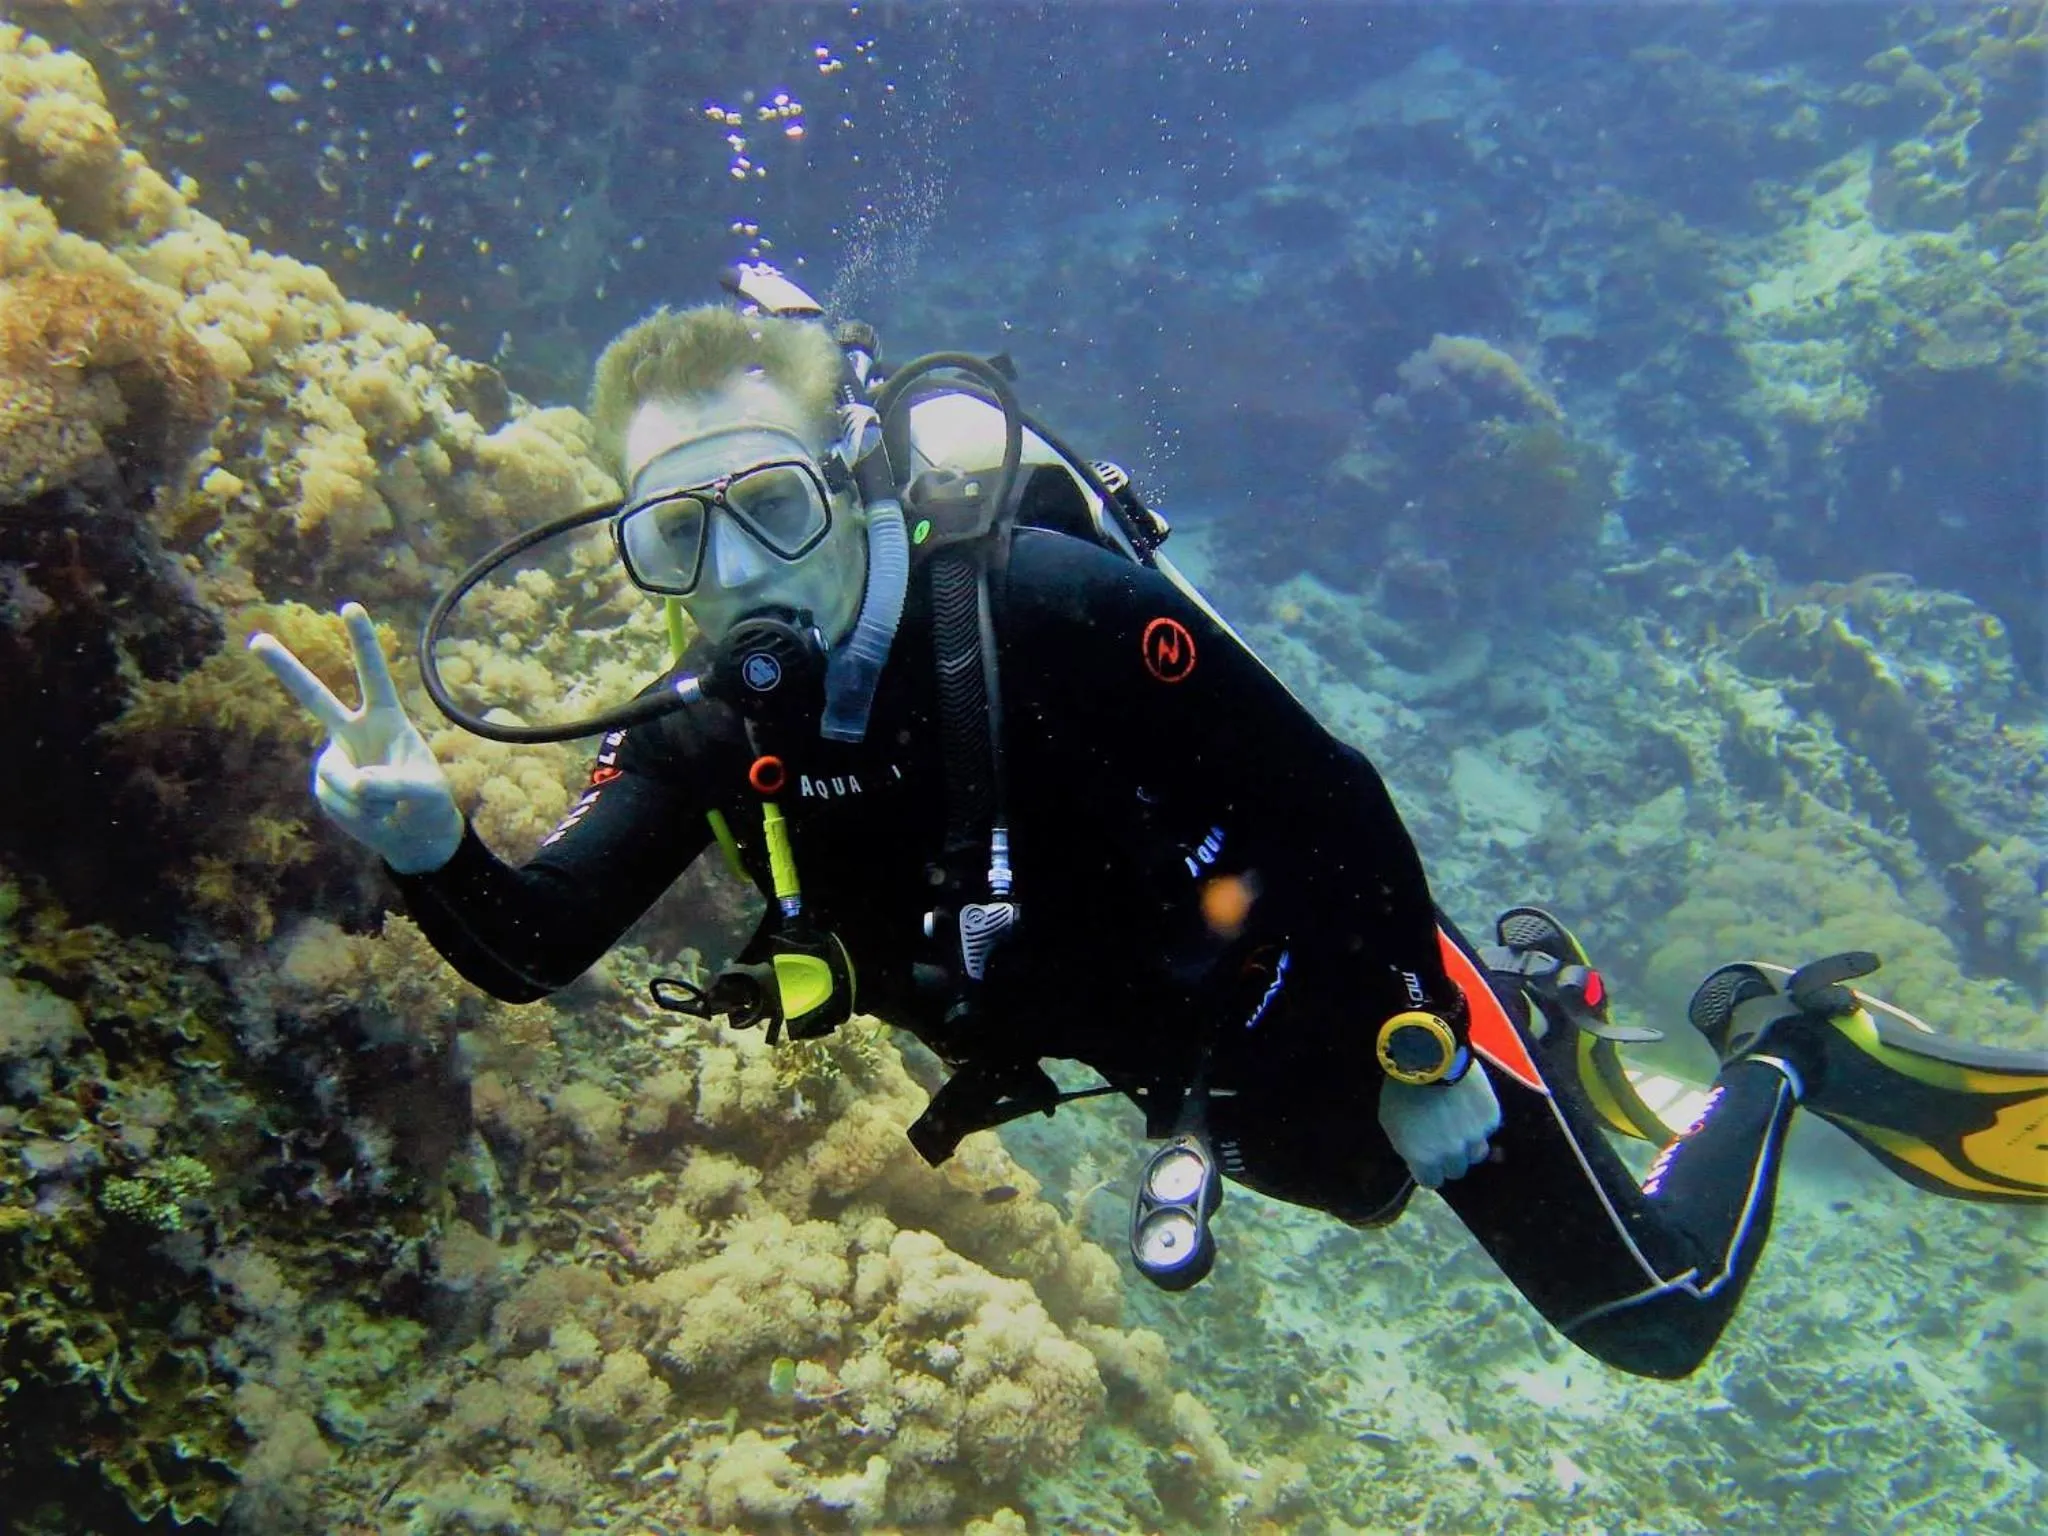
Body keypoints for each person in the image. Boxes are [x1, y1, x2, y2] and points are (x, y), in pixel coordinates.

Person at [252, 278, 2047, 1380]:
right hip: (1190, 1077)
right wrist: (423, 844)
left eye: (772, 503)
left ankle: (1778, 1043)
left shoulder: (1044, 604)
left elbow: (1334, 804)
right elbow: (532, 942)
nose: (736, 575)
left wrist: (1417, 1037)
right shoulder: (710, 727)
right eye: (673, 533)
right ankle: (1563, 1011)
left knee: (1647, 1324)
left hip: (1353, 1004)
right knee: (1352, 1196)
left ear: (853, 488)